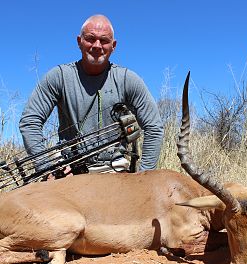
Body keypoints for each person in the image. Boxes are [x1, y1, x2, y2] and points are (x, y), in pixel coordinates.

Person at [19, 15, 164, 176]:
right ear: (79, 41)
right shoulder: (59, 76)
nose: (97, 45)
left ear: (113, 45)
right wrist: (46, 167)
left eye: (104, 41)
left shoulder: (128, 79)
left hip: (114, 169)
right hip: (69, 171)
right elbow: (30, 121)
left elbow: (154, 127)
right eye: (90, 39)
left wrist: (144, 177)